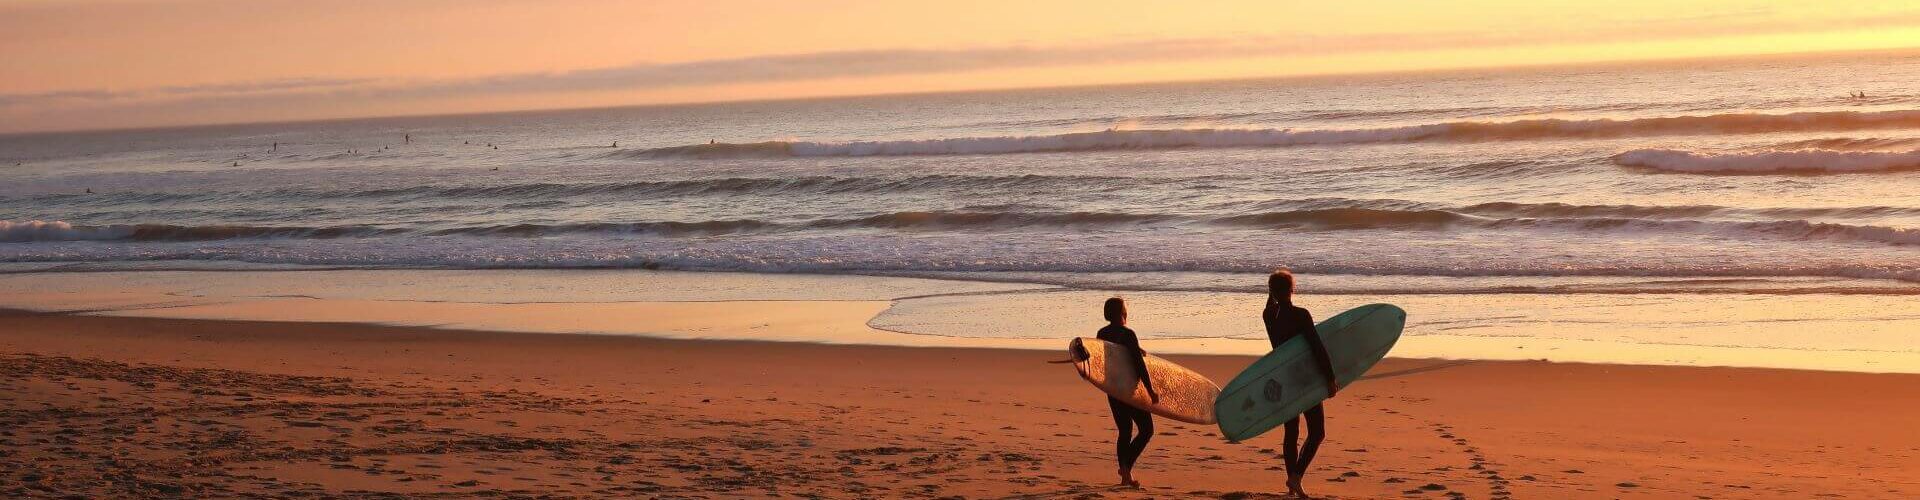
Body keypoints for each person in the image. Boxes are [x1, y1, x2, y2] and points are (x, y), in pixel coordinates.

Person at [1264, 269, 1337, 498]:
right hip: (1305, 379)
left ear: (1272, 291)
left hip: (1284, 379)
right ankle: (1296, 477)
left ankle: (1291, 485)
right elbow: (1316, 347)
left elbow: (1271, 306)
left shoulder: (1268, 315)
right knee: (1317, 432)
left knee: (1291, 432)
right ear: (1292, 289)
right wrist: (1330, 377)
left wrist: (1271, 293)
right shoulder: (1301, 315)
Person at [1096, 297, 1157, 487]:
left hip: (1112, 389)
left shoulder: (1102, 333)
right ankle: (1126, 468)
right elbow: (1139, 366)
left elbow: (1107, 357)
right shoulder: (1128, 334)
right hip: (1129, 390)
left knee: (1125, 431)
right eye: (1125, 308)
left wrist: (1136, 349)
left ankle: (1125, 476)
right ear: (1121, 313)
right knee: (1147, 430)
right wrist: (1150, 390)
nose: (1127, 310)